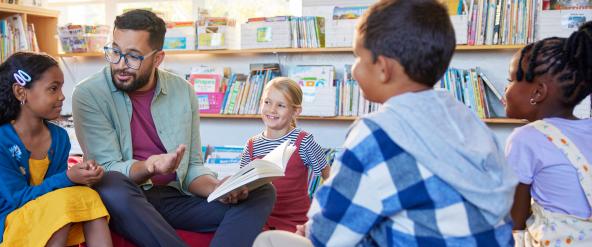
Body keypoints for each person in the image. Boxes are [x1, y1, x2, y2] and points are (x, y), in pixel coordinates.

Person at [254, 0, 517, 246]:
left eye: (357, 57)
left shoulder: (377, 133)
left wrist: (310, 230)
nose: (354, 69)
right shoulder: (465, 118)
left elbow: (328, 234)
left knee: (269, 241)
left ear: (383, 68)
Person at [72, 9, 276, 247]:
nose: (120, 65)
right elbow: (105, 168)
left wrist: (218, 188)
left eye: (133, 57)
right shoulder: (89, 94)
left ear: (158, 58)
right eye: (115, 52)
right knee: (110, 184)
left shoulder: (183, 90)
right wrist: (149, 166)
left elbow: (192, 167)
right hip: (127, 199)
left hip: (174, 198)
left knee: (262, 191)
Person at [0, 52, 112, 247]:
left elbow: (56, 189)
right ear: (21, 92)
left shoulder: (59, 138)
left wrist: (83, 176)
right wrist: (68, 178)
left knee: (88, 196)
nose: (62, 96)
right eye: (53, 89)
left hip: (42, 211)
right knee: (59, 208)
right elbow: (18, 198)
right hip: (4, 223)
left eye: (61, 88)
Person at [506, 22, 592, 246]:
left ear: (538, 92)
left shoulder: (526, 138)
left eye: (511, 81)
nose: (506, 90)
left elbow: (515, 219)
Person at [239, 77, 330, 232]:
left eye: (281, 105)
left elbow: (329, 176)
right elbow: (242, 185)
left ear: (296, 111)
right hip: (260, 221)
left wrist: (324, 212)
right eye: (267, 102)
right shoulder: (252, 145)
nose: (272, 110)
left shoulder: (303, 141)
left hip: (295, 223)